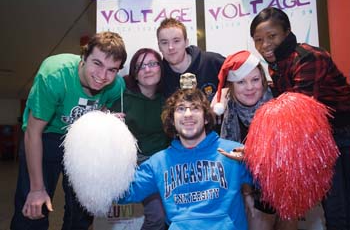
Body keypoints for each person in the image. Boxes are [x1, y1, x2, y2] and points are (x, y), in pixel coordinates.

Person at [10, 31, 127, 230]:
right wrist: (37, 188)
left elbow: (101, 109)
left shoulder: (116, 86)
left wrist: (105, 120)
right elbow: (32, 133)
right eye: (97, 63)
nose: (102, 76)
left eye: (112, 69)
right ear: (83, 57)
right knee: (34, 208)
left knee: (81, 208)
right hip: (46, 135)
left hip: (81, 139)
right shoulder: (55, 75)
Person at [250, 7, 350, 230]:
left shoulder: (308, 58)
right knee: (334, 209)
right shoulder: (276, 64)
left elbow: (296, 112)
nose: (264, 44)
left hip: (343, 131)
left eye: (271, 36)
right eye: (258, 39)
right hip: (322, 138)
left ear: (287, 32)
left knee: (339, 209)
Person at [115, 88, 253, 229]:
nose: (188, 114)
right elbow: (120, 194)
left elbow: (270, 186)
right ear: (172, 121)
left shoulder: (233, 152)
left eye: (195, 108)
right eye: (180, 109)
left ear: (206, 118)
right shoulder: (158, 163)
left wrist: (256, 161)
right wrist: (105, 142)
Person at [213, 50, 297, 230]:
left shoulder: (280, 102)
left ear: (264, 80)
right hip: (246, 190)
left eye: (255, 80)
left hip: (284, 187)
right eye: (241, 82)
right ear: (232, 86)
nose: (250, 87)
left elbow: (293, 153)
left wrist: (253, 154)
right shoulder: (224, 111)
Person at [110, 48, 169, 230]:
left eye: (153, 64)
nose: (148, 69)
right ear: (134, 74)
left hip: (167, 165)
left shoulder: (168, 99)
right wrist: (108, 121)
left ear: (161, 68)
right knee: (158, 217)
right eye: (141, 66)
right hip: (139, 167)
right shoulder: (121, 98)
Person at [156, 17, 225, 100]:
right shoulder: (158, 76)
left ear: (186, 42)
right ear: (159, 46)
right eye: (164, 42)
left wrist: (224, 95)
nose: (170, 47)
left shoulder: (212, 62)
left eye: (176, 41)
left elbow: (239, 78)